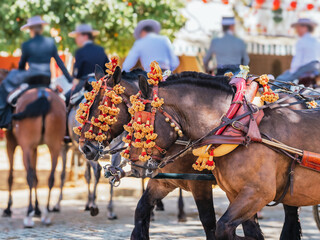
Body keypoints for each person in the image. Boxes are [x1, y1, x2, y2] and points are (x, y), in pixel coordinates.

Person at [0, 16, 73, 128]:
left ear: (31, 30)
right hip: (46, 80)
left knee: (5, 87)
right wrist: (69, 79)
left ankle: (5, 120)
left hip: (31, 80)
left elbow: (21, 66)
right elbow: (60, 63)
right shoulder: (50, 42)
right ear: (41, 29)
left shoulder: (27, 45)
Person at [66, 24, 109, 105]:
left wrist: (74, 79)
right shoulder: (100, 49)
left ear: (85, 36)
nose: (76, 39)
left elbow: (77, 74)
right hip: (101, 84)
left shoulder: (80, 51)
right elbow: (108, 68)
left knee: (66, 98)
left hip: (85, 84)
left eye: (78, 36)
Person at [277, 18, 320, 84]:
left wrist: (291, 72)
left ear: (305, 28)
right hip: (316, 68)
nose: (297, 30)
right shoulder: (316, 41)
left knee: (280, 80)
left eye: (298, 28)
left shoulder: (302, 41)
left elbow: (297, 61)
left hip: (305, 68)